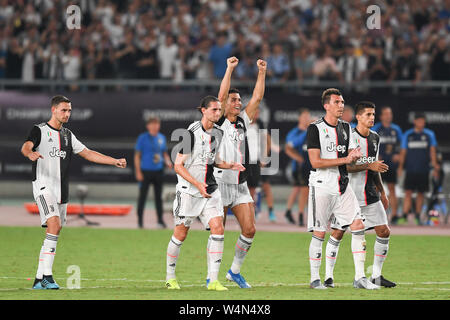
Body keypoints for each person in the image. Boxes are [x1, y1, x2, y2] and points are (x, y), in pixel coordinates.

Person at [21, 95, 127, 290]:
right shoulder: (40, 130)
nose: (67, 113)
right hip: (43, 187)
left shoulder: (68, 135)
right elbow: (26, 145)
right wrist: (30, 153)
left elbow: (88, 153)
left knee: (54, 230)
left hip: (61, 190)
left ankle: (38, 278)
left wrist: (114, 161)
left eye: (69, 110)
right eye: (64, 110)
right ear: (53, 110)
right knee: (54, 224)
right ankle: (47, 276)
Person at [165, 96, 244, 291]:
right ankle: (170, 277)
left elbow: (213, 160)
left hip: (210, 189)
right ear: (203, 111)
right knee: (181, 234)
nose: (218, 113)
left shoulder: (218, 133)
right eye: (214, 110)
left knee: (218, 227)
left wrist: (230, 165)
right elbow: (178, 166)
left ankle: (213, 280)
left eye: (219, 110)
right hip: (189, 192)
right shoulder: (189, 134)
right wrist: (196, 184)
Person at [306, 88, 379, 290]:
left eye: (342, 102)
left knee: (357, 226)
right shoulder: (315, 128)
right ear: (326, 105)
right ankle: (315, 279)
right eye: (337, 102)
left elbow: (346, 158)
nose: (341, 105)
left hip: (342, 185)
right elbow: (315, 161)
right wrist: (346, 159)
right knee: (319, 233)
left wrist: (353, 156)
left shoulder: (346, 127)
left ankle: (359, 278)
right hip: (321, 185)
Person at [213, 56, 267, 288]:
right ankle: (211, 276)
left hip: (240, 183)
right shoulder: (220, 121)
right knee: (218, 231)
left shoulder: (244, 120)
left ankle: (234, 271)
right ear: (225, 105)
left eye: (239, 100)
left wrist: (262, 72)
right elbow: (221, 95)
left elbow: (257, 97)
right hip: (220, 182)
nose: (237, 102)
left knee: (250, 229)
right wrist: (229, 69)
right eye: (234, 100)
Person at [345, 101, 396, 287]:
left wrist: (383, 193)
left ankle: (376, 275)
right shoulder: (350, 137)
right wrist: (369, 165)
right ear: (358, 117)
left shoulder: (375, 138)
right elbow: (347, 166)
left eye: (373, 114)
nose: (372, 118)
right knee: (339, 234)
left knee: (384, 231)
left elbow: (374, 169)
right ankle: (353, 277)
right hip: (351, 195)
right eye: (368, 114)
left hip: (370, 193)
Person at [398, 112, 439, 225]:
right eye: (419, 121)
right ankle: (405, 215)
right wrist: (400, 167)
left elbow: (432, 151)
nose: (421, 123)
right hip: (410, 169)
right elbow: (403, 151)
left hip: (424, 169)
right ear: (415, 122)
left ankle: (417, 215)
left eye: (423, 121)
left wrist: (435, 166)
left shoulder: (429, 135)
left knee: (421, 193)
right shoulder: (408, 134)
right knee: (408, 192)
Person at [134, 117, 173, 229]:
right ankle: (140, 221)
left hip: (158, 171)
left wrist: (168, 162)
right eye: (153, 124)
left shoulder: (162, 138)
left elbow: (164, 153)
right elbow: (137, 156)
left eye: (157, 124)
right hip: (145, 171)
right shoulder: (142, 138)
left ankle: (160, 220)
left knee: (158, 197)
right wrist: (138, 172)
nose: (155, 126)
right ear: (148, 126)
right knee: (142, 197)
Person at [372, 106, 403, 225]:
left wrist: (398, 155)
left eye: (389, 114)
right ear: (381, 116)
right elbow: (370, 143)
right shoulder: (376, 128)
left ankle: (394, 215)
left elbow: (402, 145)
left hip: (391, 165)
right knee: (375, 189)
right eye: (385, 114)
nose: (388, 116)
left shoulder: (396, 129)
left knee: (392, 189)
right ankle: (375, 214)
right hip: (378, 165)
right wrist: (375, 157)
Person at [246, 108, 275, 222]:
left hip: (258, 161)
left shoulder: (261, 124)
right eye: (255, 112)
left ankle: (270, 211)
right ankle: (248, 213)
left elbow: (267, 141)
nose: (257, 114)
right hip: (246, 161)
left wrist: (264, 158)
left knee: (265, 185)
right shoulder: (242, 124)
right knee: (247, 188)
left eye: (258, 112)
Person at [284, 108, 311, 226]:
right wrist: (298, 158)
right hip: (298, 167)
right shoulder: (296, 132)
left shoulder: (310, 131)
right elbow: (288, 147)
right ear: (299, 118)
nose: (306, 119)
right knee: (302, 189)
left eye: (308, 116)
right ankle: (299, 214)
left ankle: (289, 211)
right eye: (304, 117)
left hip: (308, 166)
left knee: (298, 189)